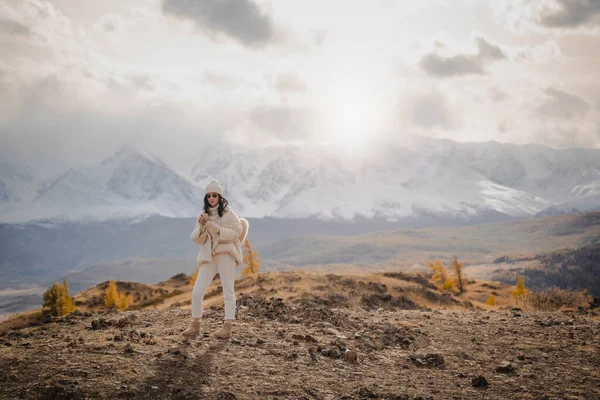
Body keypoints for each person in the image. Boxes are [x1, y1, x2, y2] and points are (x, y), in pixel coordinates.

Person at [182, 179, 249, 339]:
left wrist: (214, 227)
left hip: (226, 254)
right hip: (208, 256)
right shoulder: (202, 215)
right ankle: (195, 324)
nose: (211, 198)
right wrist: (203, 227)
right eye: (209, 195)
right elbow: (196, 238)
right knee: (197, 291)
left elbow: (235, 233)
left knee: (228, 291)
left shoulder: (229, 214)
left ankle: (228, 326)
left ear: (220, 196)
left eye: (214, 195)